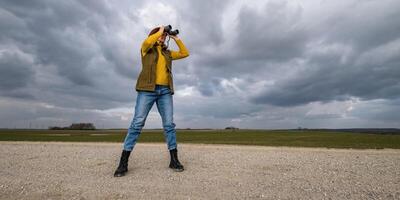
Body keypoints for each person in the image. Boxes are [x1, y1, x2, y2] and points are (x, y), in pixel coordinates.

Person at [114, 25, 189, 177]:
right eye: (161, 35)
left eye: (164, 36)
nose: (163, 37)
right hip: (147, 90)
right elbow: (148, 42)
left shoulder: (167, 53)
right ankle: (123, 162)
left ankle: (174, 160)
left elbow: (185, 53)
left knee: (169, 125)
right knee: (137, 123)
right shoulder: (146, 49)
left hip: (165, 91)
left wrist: (175, 38)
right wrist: (161, 29)